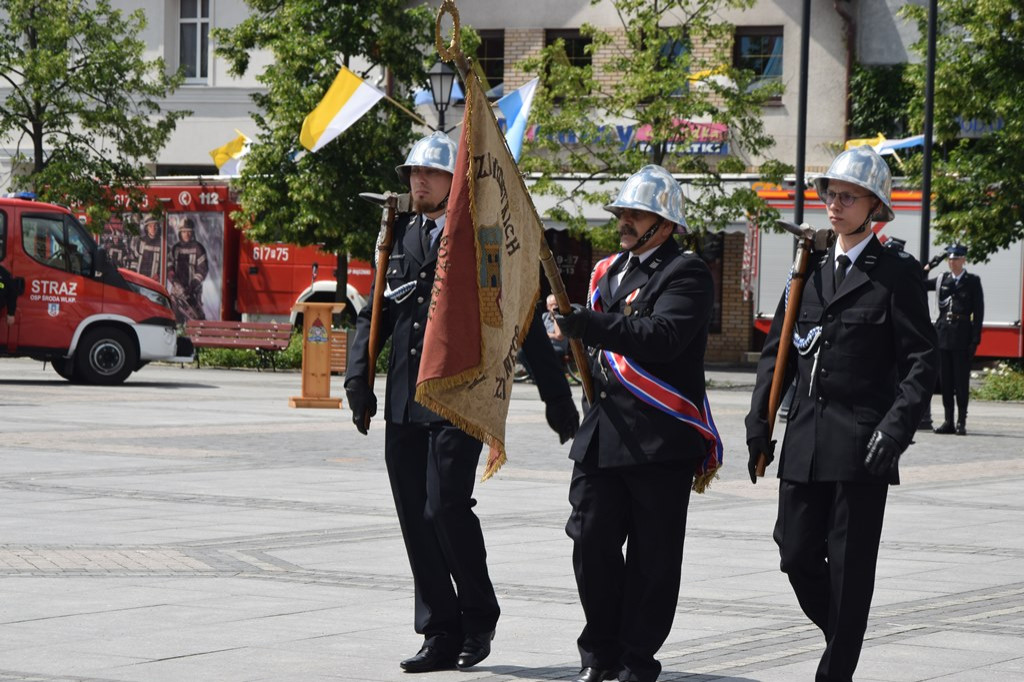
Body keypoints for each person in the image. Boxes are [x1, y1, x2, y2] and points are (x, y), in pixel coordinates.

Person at [343, 131, 579, 674]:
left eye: (429, 174)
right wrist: (359, 382)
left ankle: (478, 615)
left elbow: (520, 317)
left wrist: (555, 399)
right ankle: (439, 629)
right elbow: (372, 314)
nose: (417, 181)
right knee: (413, 517)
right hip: (405, 400)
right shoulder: (398, 236)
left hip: (459, 398)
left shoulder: (482, 241)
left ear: (457, 184)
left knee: (444, 506)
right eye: (412, 173)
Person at [745, 146, 938, 682]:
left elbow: (923, 363)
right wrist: (759, 425)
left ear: (874, 205)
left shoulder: (895, 273)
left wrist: (895, 431)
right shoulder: (807, 267)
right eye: (830, 193)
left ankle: (836, 670)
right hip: (804, 440)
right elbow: (777, 354)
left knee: (851, 571)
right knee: (794, 553)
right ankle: (843, 631)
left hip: (860, 445)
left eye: (847, 196)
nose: (834, 203)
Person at [553, 165, 717, 682]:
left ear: (664, 223)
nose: (624, 220)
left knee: (653, 558)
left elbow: (662, 335)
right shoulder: (610, 273)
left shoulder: (686, 272)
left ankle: (636, 657)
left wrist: (587, 322)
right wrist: (569, 327)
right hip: (604, 432)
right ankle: (598, 648)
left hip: (659, 437)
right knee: (589, 539)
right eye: (622, 211)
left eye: (636, 213)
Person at [928, 244, 984, 435]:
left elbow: (979, 312)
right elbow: (917, 281)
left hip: (962, 336)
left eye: (956, 258)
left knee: (960, 382)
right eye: (950, 259)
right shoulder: (943, 279)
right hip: (943, 335)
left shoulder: (972, 281)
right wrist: (929, 266)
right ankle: (948, 421)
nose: (952, 262)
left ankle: (961, 422)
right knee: (946, 382)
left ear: (963, 260)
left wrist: (975, 339)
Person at [168, 217, 208, 321]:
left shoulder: (198, 248)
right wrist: (175, 282)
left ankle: (197, 338)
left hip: (193, 292)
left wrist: (192, 286)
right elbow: (169, 267)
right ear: (180, 233)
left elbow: (202, 269)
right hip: (177, 292)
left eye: (189, 232)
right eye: (184, 232)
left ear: (193, 233)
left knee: (197, 320)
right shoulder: (175, 248)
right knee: (175, 320)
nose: (187, 234)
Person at [134, 217, 163, 281]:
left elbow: (166, 264)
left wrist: (159, 274)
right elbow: (134, 259)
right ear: (146, 228)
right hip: (140, 279)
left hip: (155, 281)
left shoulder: (162, 243)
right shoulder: (141, 241)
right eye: (150, 226)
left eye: (155, 226)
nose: (153, 228)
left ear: (158, 228)